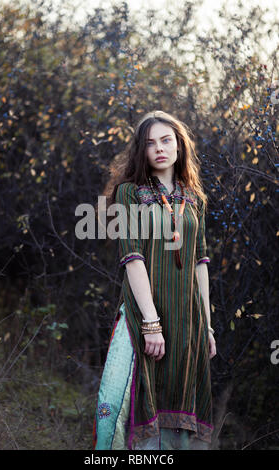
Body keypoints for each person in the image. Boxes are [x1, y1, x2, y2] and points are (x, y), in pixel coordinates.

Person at [93, 110, 216, 451]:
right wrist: (151, 323)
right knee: (117, 398)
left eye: (166, 140)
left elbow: (199, 264)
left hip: (187, 319)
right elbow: (132, 259)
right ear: (141, 152)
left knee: (175, 405)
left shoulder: (195, 199)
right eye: (150, 143)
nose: (159, 149)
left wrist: (207, 326)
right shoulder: (130, 193)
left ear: (179, 145)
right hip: (142, 313)